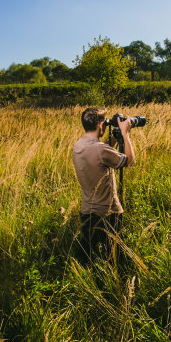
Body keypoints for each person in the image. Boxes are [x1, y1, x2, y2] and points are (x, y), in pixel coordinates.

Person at [72, 107, 135, 262]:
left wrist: (114, 138)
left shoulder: (78, 146)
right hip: (108, 214)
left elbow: (101, 154)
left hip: (87, 212)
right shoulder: (100, 150)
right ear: (101, 125)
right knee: (115, 259)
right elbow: (130, 161)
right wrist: (125, 134)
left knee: (88, 260)